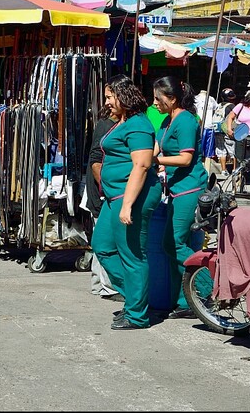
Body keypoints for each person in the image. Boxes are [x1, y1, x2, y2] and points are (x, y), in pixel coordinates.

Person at [91, 74, 162, 330]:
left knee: (132, 255)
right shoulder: (123, 122)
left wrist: (128, 204)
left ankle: (137, 314)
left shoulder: (139, 125)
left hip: (130, 196)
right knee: (102, 246)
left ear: (123, 96)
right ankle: (136, 298)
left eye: (110, 97)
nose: (107, 101)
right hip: (114, 196)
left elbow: (142, 165)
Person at [152, 76, 207, 320]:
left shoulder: (185, 121)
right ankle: (185, 300)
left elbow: (185, 158)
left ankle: (209, 287)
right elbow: (155, 147)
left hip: (189, 189)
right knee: (171, 245)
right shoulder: (166, 121)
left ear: (172, 99)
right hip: (175, 189)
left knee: (174, 244)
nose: (154, 103)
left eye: (158, 98)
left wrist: (156, 162)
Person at [85, 106, 121, 301]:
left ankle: (99, 284)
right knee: (106, 241)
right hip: (102, 193)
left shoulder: (108, 125)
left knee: (101, 239)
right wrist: (106, 188)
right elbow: (96, 160)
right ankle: (107, 286)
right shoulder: (107, 126)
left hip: (101, 192)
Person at [225, 90, 250, 185]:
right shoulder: (240, 106)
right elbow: (230, 117)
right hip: (241, 135)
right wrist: (229, 128)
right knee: (239, 157)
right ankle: (239, 177)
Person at [213, 88, 237, 177]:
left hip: (217, 130)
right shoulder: (232, 106)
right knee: (233, 151)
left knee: (221, 150)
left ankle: (223, 170)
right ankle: (235, 169)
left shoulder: (218, 105)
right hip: (227, 130)